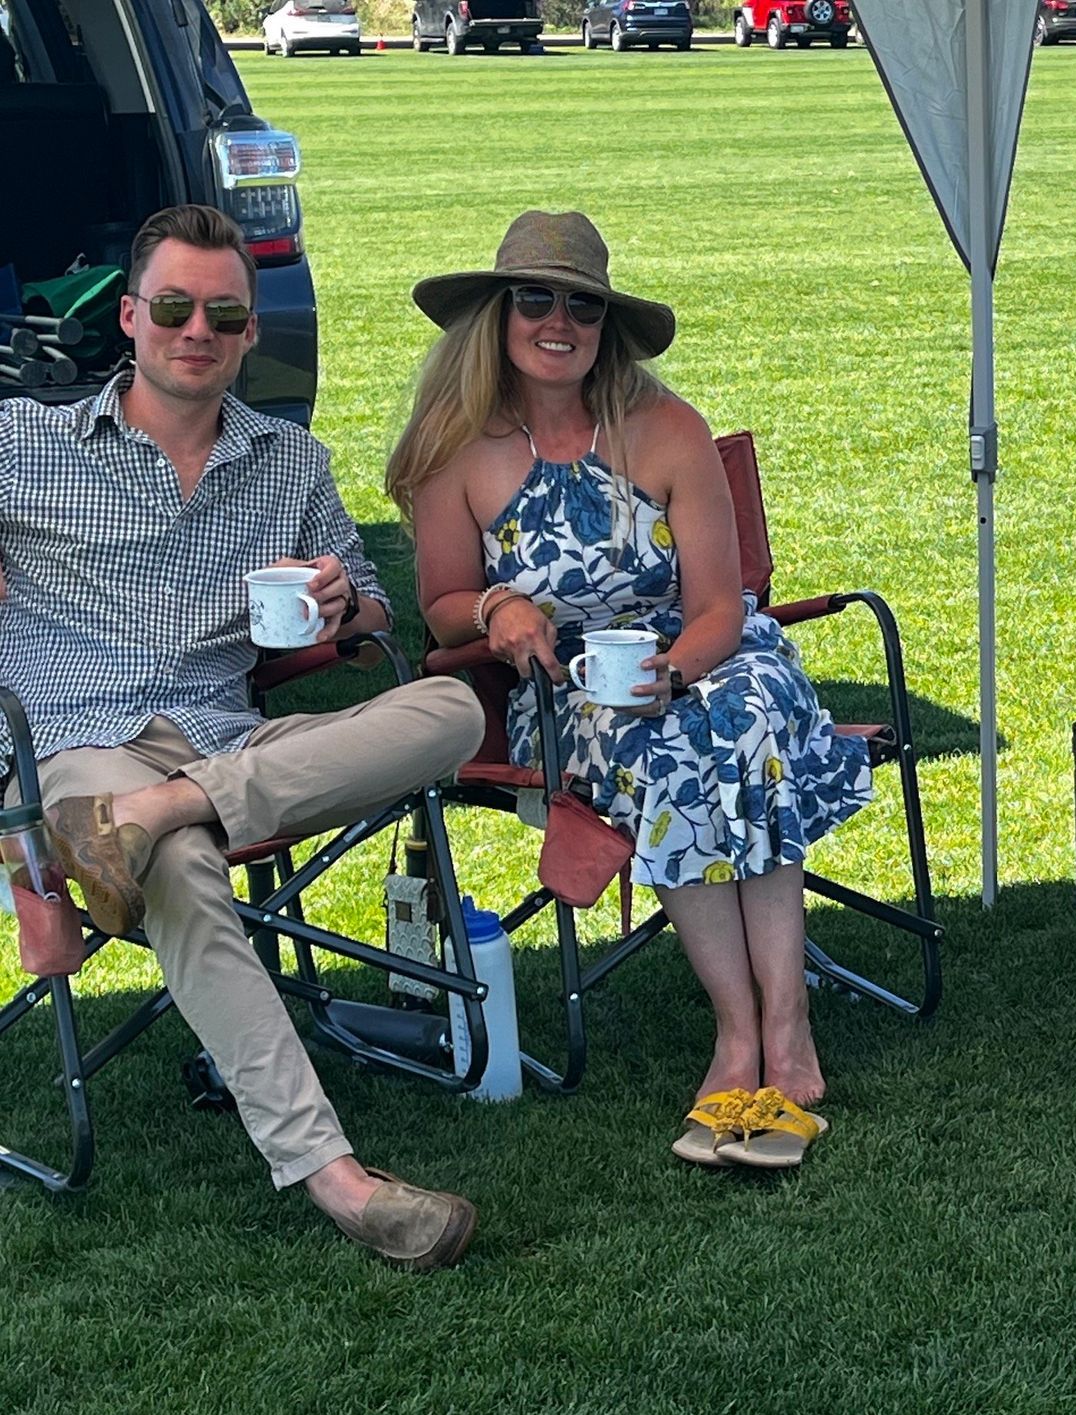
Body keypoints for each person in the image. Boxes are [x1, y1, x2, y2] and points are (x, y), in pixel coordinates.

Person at [0, 204, 487, 1269]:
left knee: (453, 709)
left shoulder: (289, 462)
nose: (197, 330)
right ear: (128, 317)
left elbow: (370, 611)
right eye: (172, 307)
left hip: (227, 743)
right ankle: (342, 1182)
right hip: (81, 745)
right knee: (178, 866)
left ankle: (149, 820)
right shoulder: (22, 445)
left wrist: (338, 607)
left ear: (250, 333)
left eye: (224, 312)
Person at [391, 211, 870, 1170]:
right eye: (536, 298)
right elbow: (438, 604)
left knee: (738, 715)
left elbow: (720, 608)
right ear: (498, 313)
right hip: (570, 688)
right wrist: (495, 607)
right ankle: (748, 1030)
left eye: (583, 305)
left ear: (606, 325)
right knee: (678, 745)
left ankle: (780, 1028)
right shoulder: (458, 448)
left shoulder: (665, 428)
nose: (557, 320)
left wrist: (680, 671)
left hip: (707, 652)